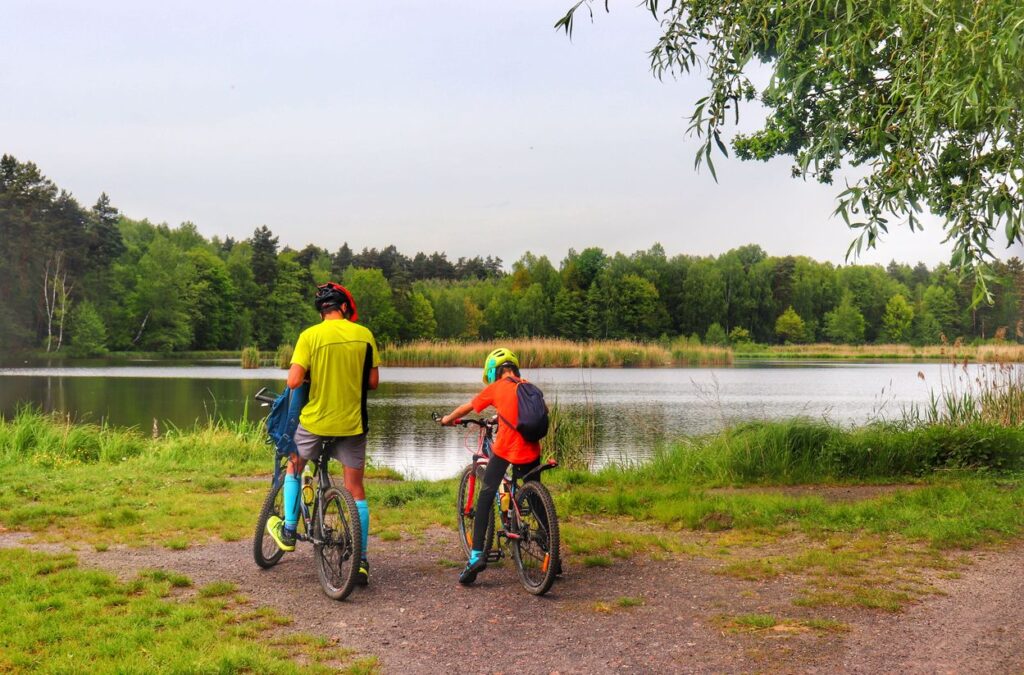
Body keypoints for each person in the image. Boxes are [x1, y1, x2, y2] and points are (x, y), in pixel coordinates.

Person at [266, 282, 380, 586]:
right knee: (355, 487)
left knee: (294, 464)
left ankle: (289, 529)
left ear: (323, 311)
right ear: (344, 307)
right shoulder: (365, 335)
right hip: (353, 423)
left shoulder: (309, 336)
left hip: (316, 423)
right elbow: (372, 381)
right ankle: (362, 560)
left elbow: (293, 381)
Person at [441, 347, 550, 584]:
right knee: (534, 496)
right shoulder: (527, 385)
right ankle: (551, 552)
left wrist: (447, 419)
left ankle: (476, 556)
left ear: (493, 372)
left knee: (486, 494)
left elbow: (467, 408)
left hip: (506, 449)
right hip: (532, 449)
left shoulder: (496, 387)